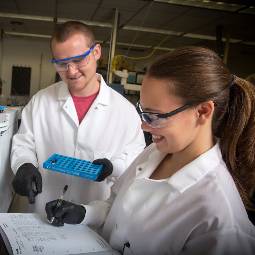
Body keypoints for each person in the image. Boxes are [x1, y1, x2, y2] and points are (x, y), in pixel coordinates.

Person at [46, 46, 255, 254]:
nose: (144, 126)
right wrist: (85, 213)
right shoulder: (154, 153)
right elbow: (115, 204)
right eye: (142, 112)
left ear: (202, 111)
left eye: (155, 116)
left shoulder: (221, 218)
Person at [10, 21, 145, 216]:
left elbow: (136, 164)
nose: (71, 71)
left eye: (79, 59)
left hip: (94, 219)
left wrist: (113, 167)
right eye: (62, 64)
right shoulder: (40, 101)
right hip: (42, 213)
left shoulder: (126, 112)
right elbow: (24, 143)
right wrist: (24, 164)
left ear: (96, 52)